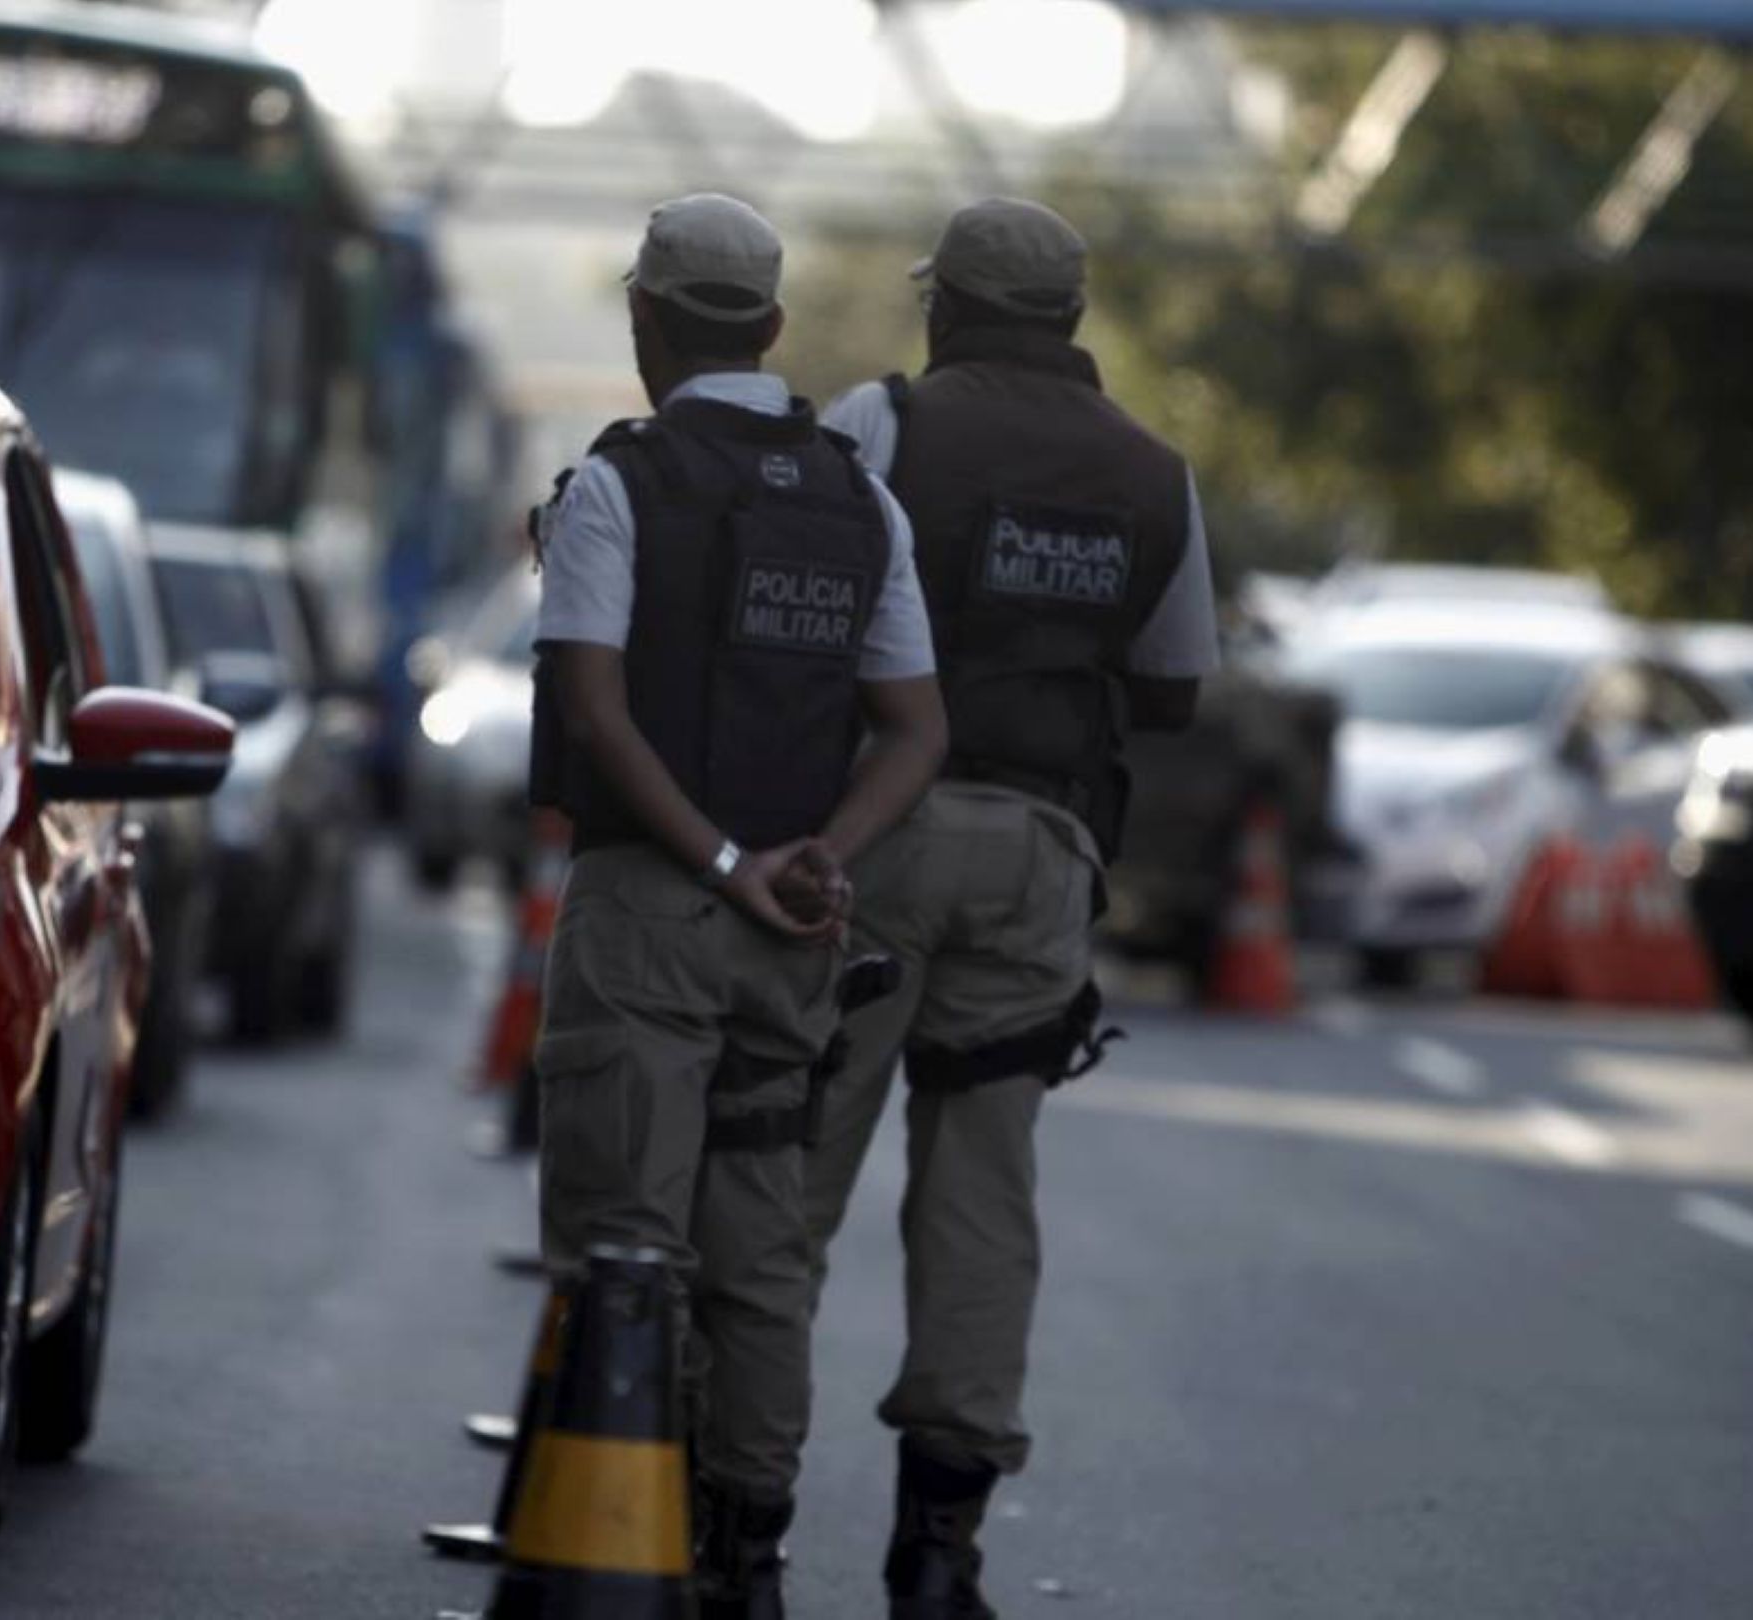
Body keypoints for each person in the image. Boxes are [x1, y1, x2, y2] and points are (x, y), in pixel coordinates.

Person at [528, 192, 947, 1618]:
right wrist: (819, 854)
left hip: (653, 915)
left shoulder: (619, 485)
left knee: (622, 1245)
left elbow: (590, 709)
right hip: (794, 944)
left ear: (645, 319)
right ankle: (746, 1559)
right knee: (761, 1260)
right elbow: (915, 729)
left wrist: (717, 863)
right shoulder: (856, 496)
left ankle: (610, 1560)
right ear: (771, 329)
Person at [799, 198, 1219, 1619]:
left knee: (786, 1171)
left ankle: (729, 1521)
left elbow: (801, 604)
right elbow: (1171, 691)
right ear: (1075, 320)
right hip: (1043, 858)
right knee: (983, 1201)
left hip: (877, 836)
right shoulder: (1157, 472)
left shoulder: (884, 422)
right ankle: (939, 1555)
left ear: (949, 308)